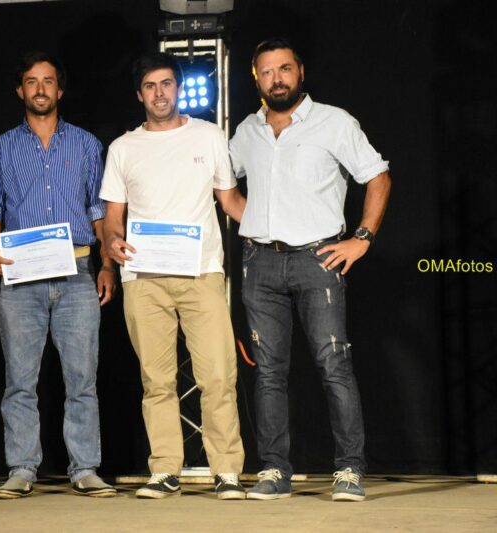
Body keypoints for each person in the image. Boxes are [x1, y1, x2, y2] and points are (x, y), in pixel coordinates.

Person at [224, 37, 392, 501]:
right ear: (256, 79)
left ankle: (349, 470)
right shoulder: (247, 131)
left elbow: (377, 177)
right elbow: (223, 185)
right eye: (266, 72)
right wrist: (258, 222)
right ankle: (274, 471)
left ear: (300, 71)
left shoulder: (334, 122)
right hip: (260, 261)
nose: (275, 79)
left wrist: (362, 238)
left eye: (283, 69)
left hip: (318, 259)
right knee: (268, 372)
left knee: (333, 364)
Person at [100, 52, 246, 500]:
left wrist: (276, 228)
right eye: (150, 86)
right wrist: (112, 243)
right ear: (139, 94)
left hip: (201, 273)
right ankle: (165, 469)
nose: (159, 93)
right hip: (143, 278)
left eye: (166, 84)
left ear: (178, 89)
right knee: (157, 380)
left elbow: (231, 201)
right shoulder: (123, 148)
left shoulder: (208, 135)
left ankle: (227, 470)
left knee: (217, 375)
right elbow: (112, 219)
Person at [0, 51, 117, 499]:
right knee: (20, 381)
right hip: (21, 275)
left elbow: (99, 212)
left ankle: (85, 468)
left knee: (82, 379)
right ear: (20, 90)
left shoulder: (87, 145)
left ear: (60, 89)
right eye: (32, 81)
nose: (40, 89)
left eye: (48, 81)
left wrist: (107, 265)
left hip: (77, 270)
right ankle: (21, 469)